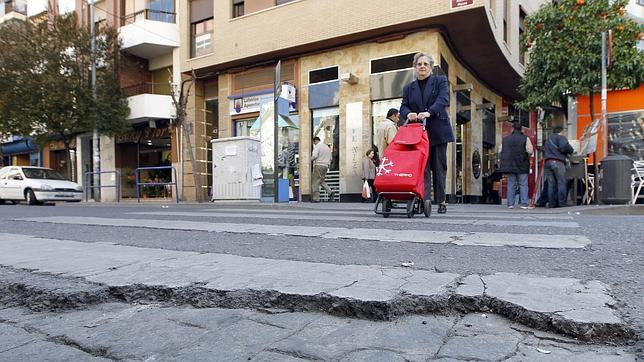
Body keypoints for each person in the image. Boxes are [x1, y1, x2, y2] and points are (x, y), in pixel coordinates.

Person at [400, 52, 454, 214]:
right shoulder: (409, 87)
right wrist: (408, 113)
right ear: (415, 68)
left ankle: (441, 201)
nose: (422, 66)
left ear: (430, 67)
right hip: (418, 134)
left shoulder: (440, 81)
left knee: (439, 166)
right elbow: (403, 106)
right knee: (422, 168)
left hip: (438, 129)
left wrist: (429, 112)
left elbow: (443, 99)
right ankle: (424, 200)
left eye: (425, 64)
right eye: (419, 64)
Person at [499, 122, 534, 209]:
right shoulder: (525, 138)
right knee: (523, 184)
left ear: (512, 129)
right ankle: (524, 203)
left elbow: (500, 150)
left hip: (510, 165)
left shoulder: (506, 139)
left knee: (511, 184)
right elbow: (530, 151)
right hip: (522, 164)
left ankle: (510, 204)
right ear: (521, 129)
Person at [543, 126, 574, 208]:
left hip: (548, 162)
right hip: (558, 162)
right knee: (561, 183)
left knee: (551, 185)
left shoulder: (548, 140)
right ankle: (562, 203)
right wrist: (571, 150)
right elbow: (564, 147)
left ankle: (552, 204)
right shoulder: (561, 137)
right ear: (562, 131)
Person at [311, 136, 335, 202]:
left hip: (319, 165)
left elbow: (314, 156)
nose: (314, 144)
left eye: (314, 143)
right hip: (326, 166)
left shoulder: (317, 146)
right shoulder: (327, 147)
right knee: (321, 181)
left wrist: (309, 160)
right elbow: (331, 158)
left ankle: (316, 198)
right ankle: (330, 192)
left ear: (315, 141)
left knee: (315, 181)